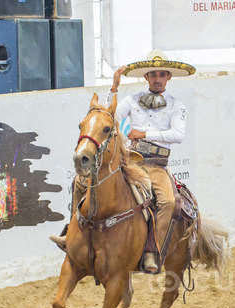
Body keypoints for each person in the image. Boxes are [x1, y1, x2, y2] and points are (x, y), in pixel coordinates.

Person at [50, 50, 195, 272]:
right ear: (146, 78)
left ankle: (151, 251)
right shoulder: (132, 100)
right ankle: (71, 233)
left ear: (168, 78)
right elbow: (110, 117)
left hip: (157, 166)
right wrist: (114, 87)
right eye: (153, 74)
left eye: (162, 74)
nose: (157, 78)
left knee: (168, 202)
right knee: (80, 182)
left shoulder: (177, 105)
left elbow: (178, 135)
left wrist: (144, 134)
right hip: (130, 161)